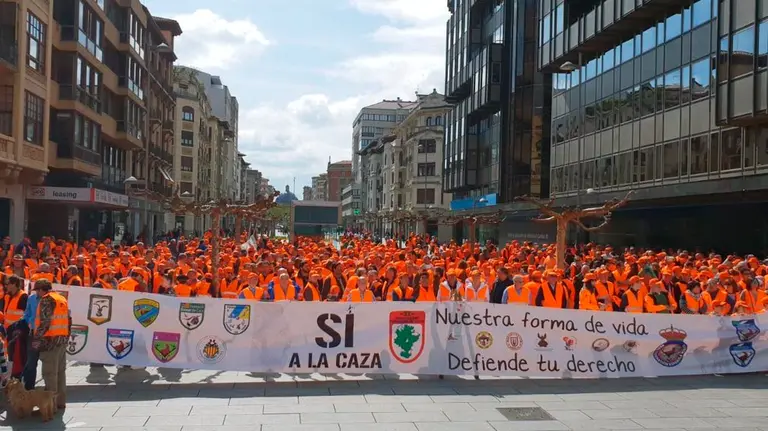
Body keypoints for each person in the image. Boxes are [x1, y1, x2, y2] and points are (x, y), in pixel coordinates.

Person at [31, 279, 69, 409]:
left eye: (37, 290)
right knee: (60, 372)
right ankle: (60, 402)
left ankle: (50, 406)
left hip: (50, 342)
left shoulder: (47, 300)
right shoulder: (61, 298)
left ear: (42, 290)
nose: (36, 293)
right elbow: (69, 320)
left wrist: (36, 339)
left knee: (49, 373)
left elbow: (45, 322)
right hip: (61, 340)